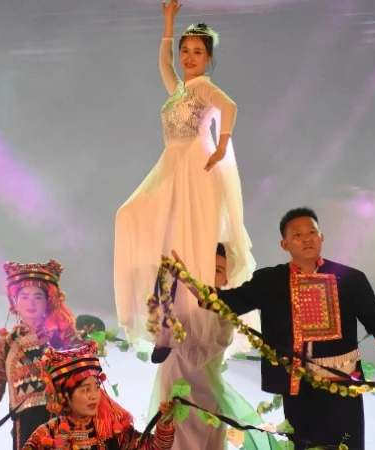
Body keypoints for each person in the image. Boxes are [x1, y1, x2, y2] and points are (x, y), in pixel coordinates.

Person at [167, 207, 375, 449]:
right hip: (298, 390)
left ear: (321, 237)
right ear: (284, 244)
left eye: (312, 232)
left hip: (343, 387)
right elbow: (225, 303)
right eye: (297, 235)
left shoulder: (351, 279)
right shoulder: (269, 281)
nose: (307, 239)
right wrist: (187, 279)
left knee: (346, 445)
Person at [113, 0, 257, 361]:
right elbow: (163, 64)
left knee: (190, 249)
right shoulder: (179, 89)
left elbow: (230, 106)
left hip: (196, 167)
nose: (189, 57)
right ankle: (167, 323)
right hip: (172, 166)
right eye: (185, 50)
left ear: (209, 58)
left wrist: (222, 145)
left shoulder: (203, 87)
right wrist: (168, 22)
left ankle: (193, 326)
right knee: (137, 221)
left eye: (197, 52)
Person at [148, 243, 278, 450]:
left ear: (225, 279)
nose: (211, 275)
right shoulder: (179, 305)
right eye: (207, 268)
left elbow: (195, 359)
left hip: (203, 397)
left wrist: (174, 334)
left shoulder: (224, 315)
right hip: (171, 389)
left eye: (218, 270)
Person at [0, 260, 79, 450]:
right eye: (24, 297)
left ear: (48, 301)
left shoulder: (64, 337)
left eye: (37, 297)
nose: (31, 303)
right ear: (15, 302)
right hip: (25, 429)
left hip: (66, 427)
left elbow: (87, 380)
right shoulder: (6, 345)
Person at [22, 341, 176, 450]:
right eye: (85, 390)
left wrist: (164, 422)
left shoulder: (112, 431)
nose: (94, 396)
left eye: (96, 387)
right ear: (66, 395)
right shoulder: (46, 435)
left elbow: (154, 447)